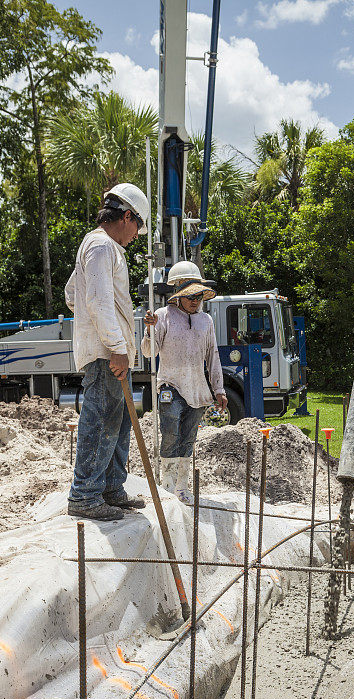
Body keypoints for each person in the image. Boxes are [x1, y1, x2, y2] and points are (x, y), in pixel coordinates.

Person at [65, 183, 149, 521]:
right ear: (127, 216)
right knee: (100, 422)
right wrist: (115, 347)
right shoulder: (101, 245)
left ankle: (111, 488)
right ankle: (85, 496)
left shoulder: (103, 247)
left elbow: (74, 293)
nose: (136, 236)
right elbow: (97, 301)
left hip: (111, 352)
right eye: (137, 227)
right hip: (106, 354)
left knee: (118, 422)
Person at [141, 261, 227, 501]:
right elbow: (150, 353)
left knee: (188, 439)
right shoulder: (162, 317)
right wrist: (149, 331)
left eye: (198, 295)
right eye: (190, 296)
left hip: (197, 388)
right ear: (178, 294)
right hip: (171, 385)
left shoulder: (206, 321)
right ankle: (167, 489)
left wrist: (218, 389)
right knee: (170, 436)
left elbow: (213, 356)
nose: (195, 300)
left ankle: (182, 487)